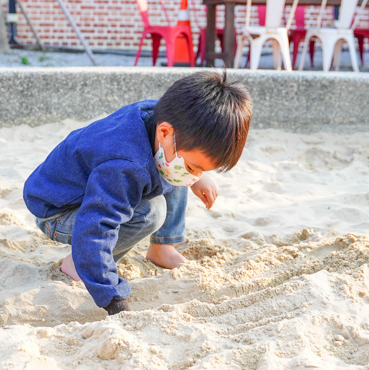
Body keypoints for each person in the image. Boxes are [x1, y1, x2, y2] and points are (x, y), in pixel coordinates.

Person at [23, 71, 252, 316]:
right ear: (164, 132)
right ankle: (76, 266)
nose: (194, 175)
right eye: (194, 167)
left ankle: (162, 247)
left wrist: (197, 175)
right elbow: (96, 227)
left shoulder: (163, 118)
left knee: (173, 169)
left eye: (201, 170)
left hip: (94, 185)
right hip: (57, 211)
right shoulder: (124, 165)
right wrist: (113, 300)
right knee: (151, 213)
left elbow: (177, 159)